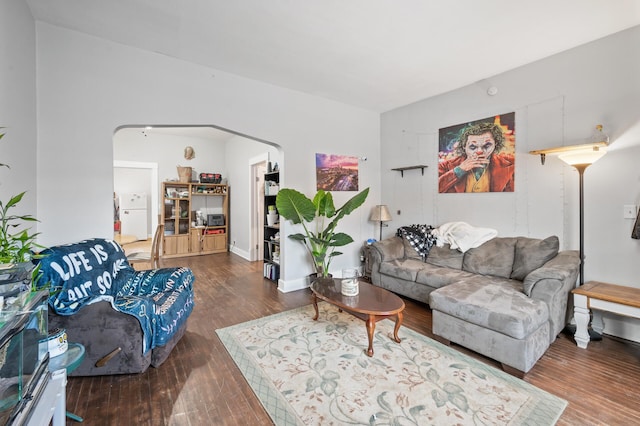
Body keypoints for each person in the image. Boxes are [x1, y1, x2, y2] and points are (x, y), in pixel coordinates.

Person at [438, 121, 514, 193]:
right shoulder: (445, 166)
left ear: (495, 144)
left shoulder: (510, 164)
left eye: (487, 145)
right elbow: (433, 189)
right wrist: (459, 170)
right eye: (473, 146)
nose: (479, 151)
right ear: (464, 146)